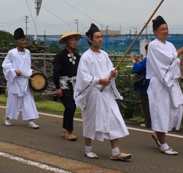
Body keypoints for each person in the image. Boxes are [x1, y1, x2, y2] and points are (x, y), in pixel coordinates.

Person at [74, 23, 131, 161]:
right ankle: (88, 148)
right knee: (90, 120)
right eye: (97, 37)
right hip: (94, 93)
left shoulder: (104, 54)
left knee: (113, 118)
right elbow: (84, 77)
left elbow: (110, 68)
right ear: (90, 40)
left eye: (101, 37)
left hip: (107, 94)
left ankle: (116, 151)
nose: (100, 39)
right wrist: (99, 80)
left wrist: (112, 73)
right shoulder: (86, 57)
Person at [146, 15, 183, 155]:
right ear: (155, 31)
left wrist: (181, 62)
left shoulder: (170, 45)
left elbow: (173, 62)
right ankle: (163, 144)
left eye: (166, 28)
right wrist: (180, 51)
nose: (165, 31)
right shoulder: (153, 45)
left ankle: (158, 135)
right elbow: (166, 60)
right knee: (161, 112)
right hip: (159, 85)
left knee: (174, 111)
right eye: (162, 29)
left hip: (171, 85)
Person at [2, 28, 39, 129]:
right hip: (15, 81)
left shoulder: (27, 52)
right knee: (13, 101)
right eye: (22, 40)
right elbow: (5, 65)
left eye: (24, 39)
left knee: (28, 101)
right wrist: (14, 71)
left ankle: (31, 121)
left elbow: (27, 67)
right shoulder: (12, 53)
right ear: (17, 42)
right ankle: (8, 118)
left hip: (25, 81)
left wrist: (31, 72)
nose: (24, 41)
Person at [52, 30, 81, 141]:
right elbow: (56, 72)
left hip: (75, 84)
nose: (74, 42)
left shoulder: (78, 57)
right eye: (71, 40)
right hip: (64, 84)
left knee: (71, 107)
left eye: (75, 40)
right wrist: (58, 87)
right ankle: (69, 131)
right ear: (66, 42)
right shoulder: (60, 56)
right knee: (70, 106)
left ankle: (65, 129)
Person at [130, 44, 151, 128]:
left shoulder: (148, 59)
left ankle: (148, 122)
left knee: (146, 104)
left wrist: (133, 61)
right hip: (154, 84)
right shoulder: (155, 59)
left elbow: (137, 69)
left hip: (146, 85)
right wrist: (138, 61)